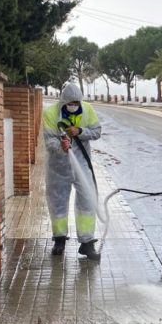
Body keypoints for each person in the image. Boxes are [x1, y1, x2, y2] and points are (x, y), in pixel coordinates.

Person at [42, 83, 102, 260]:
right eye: (71, 102)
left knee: (88, 200)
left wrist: (80, 131)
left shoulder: (88, 109)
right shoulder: (50, 113)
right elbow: (48, 141)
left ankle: (87, 243)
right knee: (58, 202)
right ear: (64, 101)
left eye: (77, 102)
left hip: (82, 163)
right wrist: (60, 145)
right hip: (58, 166)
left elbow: (97, 131)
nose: (74, 105)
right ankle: (59, 239)